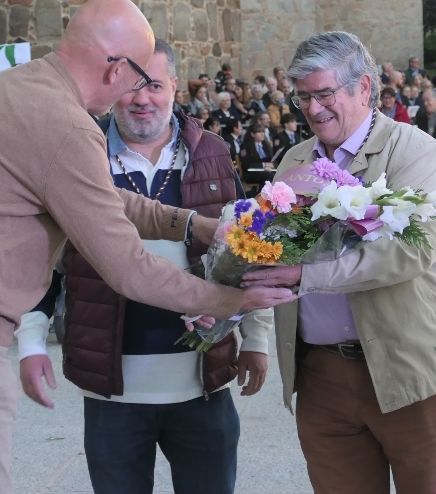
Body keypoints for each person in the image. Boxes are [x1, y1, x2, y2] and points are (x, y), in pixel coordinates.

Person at [0, 0, 296, 494]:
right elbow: (128, 268)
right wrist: (233, 301)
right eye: (137, 79)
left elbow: (98, 196)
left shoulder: (24, 87)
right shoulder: (68, 126)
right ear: (117, 70)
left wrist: (192, 225)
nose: (138, 94)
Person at [15, 40, 271, 494]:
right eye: (132, 86)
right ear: (112, 87)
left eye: (154, 85)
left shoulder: (212, 152)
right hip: (113, 391)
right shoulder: (79, 153)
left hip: (202, 386)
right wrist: (31, 343)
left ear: (174, 86)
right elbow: (43, 263)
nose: (142, 98)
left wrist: (256, 339)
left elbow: (248, 251)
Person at [240, 31, 436, 494]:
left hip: (413, 371)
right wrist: (246, 322)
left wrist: (308, 276)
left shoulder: (413, 150)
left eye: (324, 94)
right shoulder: (294, 161)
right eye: (302, 97)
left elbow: (413, 249)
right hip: (322, 378)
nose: (312, 109)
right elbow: (268, 251)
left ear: (364, 87)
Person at [239, 122, 276, 186]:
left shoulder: (266, 145)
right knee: (268, 176)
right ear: (252, 134)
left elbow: (272, 159)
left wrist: (271, 165)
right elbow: (246, 164)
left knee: (279, 175)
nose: (262, 134)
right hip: (251, 173)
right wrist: (263, 165)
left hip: (267, 170)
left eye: (263, 131)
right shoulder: (246, 146)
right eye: (259, 132)